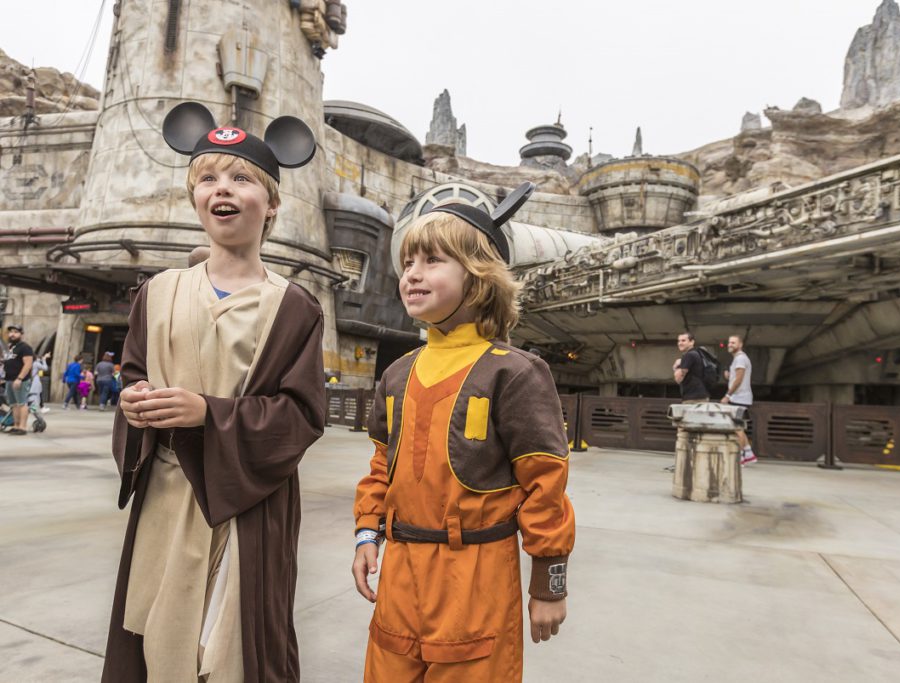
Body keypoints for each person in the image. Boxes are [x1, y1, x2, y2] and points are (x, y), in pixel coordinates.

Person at [101, 101, 324, 682]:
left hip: (245, 500)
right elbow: (132, 374)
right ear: (194, 198)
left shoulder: (293, 305)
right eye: (207, 178)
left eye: (241, 177)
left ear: (271, 205)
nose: (221, 188)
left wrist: (209, 413)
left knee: (229, 644)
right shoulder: (159, 291)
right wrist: (133, 403)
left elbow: (300, 415)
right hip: (166, 493)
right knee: (156, 635)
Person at [352, 182, 575, 682]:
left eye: (432, 260)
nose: (412, 273)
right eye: (408, 262)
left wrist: (548, 584)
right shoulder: (397, 373)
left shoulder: (514, 373)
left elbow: (547, 486)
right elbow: (379, 469)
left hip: (476, 578)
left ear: (478, 278)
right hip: (400, 576)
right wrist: (368, 530)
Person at [721, 335, 758, 465]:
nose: (730, 344)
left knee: (737, 428)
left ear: (740, 345)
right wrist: (729, 376)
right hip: (741, 397)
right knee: (740, 427)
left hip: (739, 398)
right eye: (729, 342)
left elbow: (739, 379)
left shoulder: (741, 358)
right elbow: (737, 377)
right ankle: (749, 454)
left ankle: (741, 457)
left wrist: (728, 395)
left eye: (733, 342)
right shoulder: (738, 359)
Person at [2, 324, 34, 435]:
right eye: (11, 332)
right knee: (14, 404)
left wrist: (19, 378)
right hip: (9, 379)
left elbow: (28, 364)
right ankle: (16, 425)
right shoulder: (11, 348)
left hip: (20, 380)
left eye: (15, 332)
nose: (12, 334)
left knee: (21, 403)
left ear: (21, 334)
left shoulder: (25, 347)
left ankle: (23, 427)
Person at [673, 331, 709, 402]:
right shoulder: (697, 353)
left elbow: (678, 379)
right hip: (701, 395)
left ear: (692, 342)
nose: (680, 343)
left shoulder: (689, 355)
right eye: (679, 341)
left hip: (693, 398)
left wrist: (676, 366)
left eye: (683, 340)